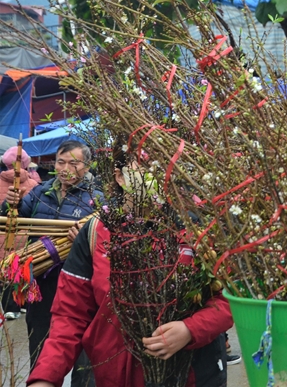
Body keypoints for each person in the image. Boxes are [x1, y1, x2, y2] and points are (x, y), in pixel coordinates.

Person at [27, 150, 233, 387]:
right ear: (120, 176)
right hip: (114, 373)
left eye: (162, 168)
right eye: (144, 167)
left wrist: (190, 329)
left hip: (193, 374)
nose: (154, 176)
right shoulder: (97, 232)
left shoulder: (196, 230)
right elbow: (70, 315)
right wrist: (45, 377)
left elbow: (230, 298)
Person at [2, 140, 102, 383]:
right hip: (41, 282)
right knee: (39, 347)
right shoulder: (40, 192)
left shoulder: (97, 199)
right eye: (60, 162)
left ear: (87, 166)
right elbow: (12, 220)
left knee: (83, 357)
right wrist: (10, 205)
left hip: (79, 285)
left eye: (73, 163)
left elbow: (106, 241)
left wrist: (87, 239)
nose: (65, 169)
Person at [0, 146, 39, 321]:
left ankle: (10, 307)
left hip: (3, 234)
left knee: (6, 268)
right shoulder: (33, 184)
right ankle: (22, 304)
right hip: (25, 235)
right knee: (22, 267)